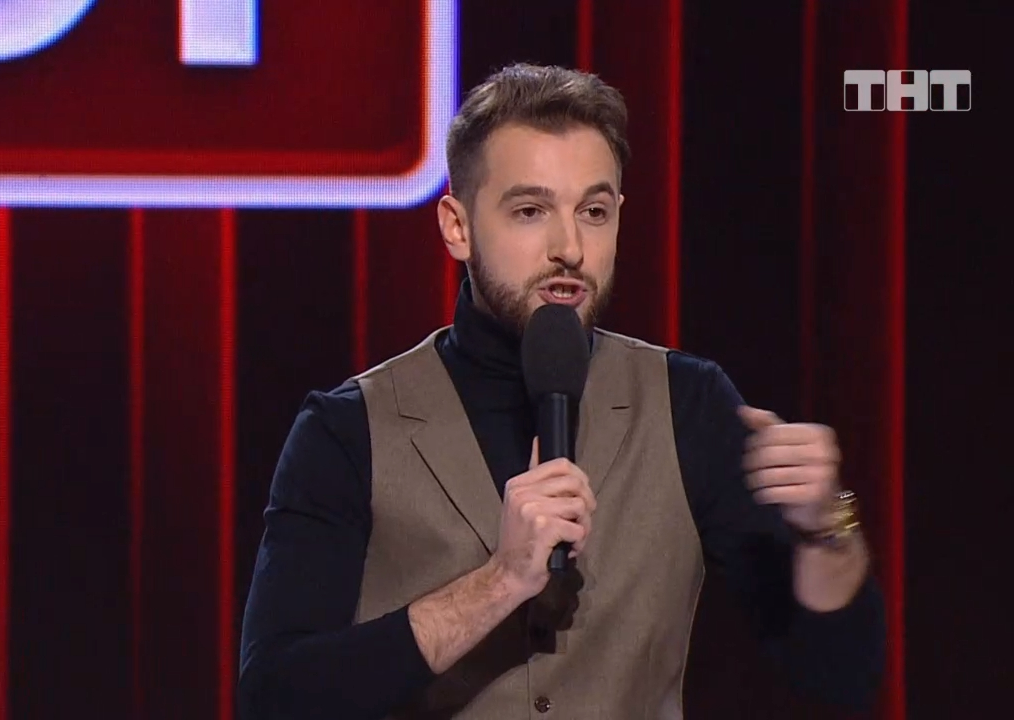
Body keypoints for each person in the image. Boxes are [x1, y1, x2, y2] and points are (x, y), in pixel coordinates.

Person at [237, 63, 886, 719]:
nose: (570, 247)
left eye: (593, 212)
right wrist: (499, 582)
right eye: (530, 211)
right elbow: (276, 696)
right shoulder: (347, 429)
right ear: (458, 227)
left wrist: (828, 527)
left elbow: (841, 674)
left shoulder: (687, 403)